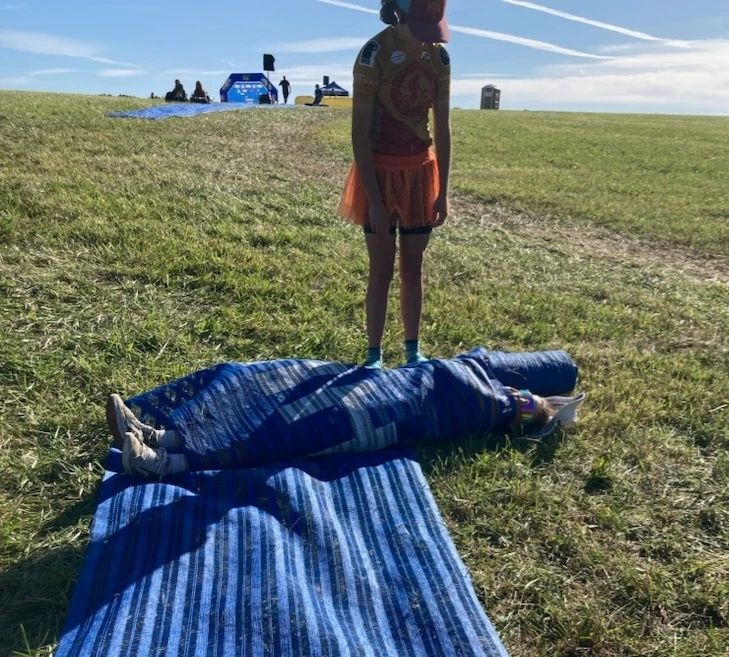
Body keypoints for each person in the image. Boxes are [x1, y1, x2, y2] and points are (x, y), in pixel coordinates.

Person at [105, 349, 585, 479]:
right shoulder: (481, 370)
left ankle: (165, 463)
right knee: (281, 387)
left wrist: (537, 406)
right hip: (387, 381)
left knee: (301, 429)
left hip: (392, 411)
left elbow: (530, 407)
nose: (522, 393)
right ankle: (164, 434)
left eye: (527, 400)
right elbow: (482, 367)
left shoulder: (489, 405)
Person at [338, 0, 452, 369]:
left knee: (413, 267)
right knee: (382, 268)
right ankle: (373, 354)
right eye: (420, 30)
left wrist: (443, 191)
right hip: (379, 174)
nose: (426, 41)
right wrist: (373, 199)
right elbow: (359, 134)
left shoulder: (439, 58)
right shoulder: (374, 54)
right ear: (400, 16)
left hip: (421, 174)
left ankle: (413, 351)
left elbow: (443, 129)